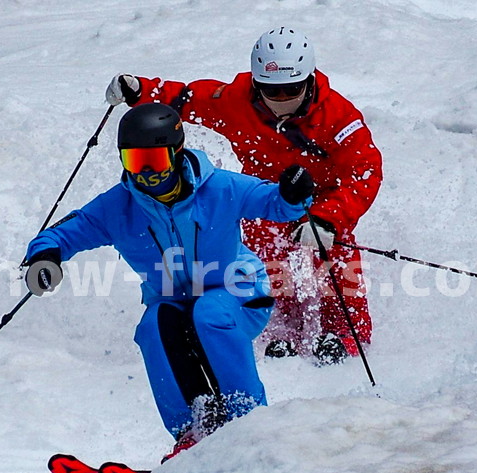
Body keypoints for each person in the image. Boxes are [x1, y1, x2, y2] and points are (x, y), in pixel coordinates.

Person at [23, 103, 316, 459]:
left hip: (238, 294)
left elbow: (276, 203)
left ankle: (249, 422)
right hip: (175, 303)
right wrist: (45, 257)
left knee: (209, 313)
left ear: (177, 153)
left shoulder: (220, 188)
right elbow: (62, 235)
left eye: (155, 161)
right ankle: (193, 429)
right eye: (134, 162)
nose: (145, 174)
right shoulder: (119, 206)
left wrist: (293, 192)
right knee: (153, 325)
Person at [105, 27, 382, 364]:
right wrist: (141, 91)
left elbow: (365, 172)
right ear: (255, 84)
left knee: (333, 249)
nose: (281, 100)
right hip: (266, 196)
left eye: (291, 90)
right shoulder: (236, 102)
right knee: (260, 240)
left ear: (309, 81)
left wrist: (329, 217)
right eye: (270, 91)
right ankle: (280, 324)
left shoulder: (338, 117)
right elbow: (186, 100)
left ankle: (344, 332)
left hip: (322, 199)